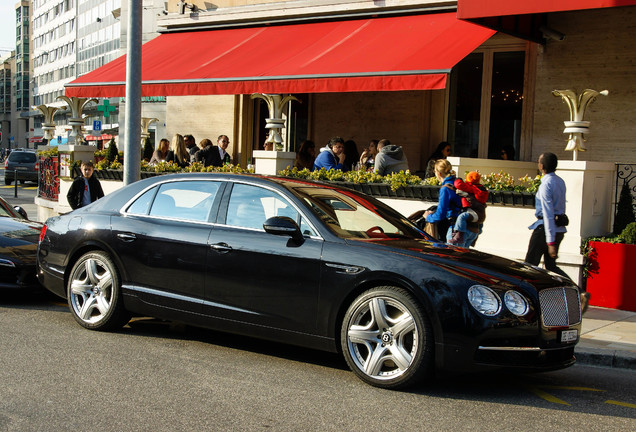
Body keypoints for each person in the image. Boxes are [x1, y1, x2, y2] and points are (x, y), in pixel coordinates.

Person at [525, 152, 569, 278]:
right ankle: (576, 290)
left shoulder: (546, 185)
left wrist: (550, 242)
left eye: (539, 161)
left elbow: (548, 213)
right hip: (559, 228)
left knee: (530, 265)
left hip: (545, 229)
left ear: (542, 166)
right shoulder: (560, 181)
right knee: (551, 266)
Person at [422, 159, 462, 242]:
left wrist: (428, 217)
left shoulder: (445, 189)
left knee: (451, 253)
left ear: (439, 173)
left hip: (454, 227)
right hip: (467, 226)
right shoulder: (458, 183)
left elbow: (440, 214)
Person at [449, 171, 489, 247]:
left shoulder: (472, 188)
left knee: (462, 217)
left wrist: (458, 179)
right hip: (480, 215)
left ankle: (458, 235)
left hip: (473, 213)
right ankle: (475, 237)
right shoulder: (483, 190)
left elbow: (459, 184)